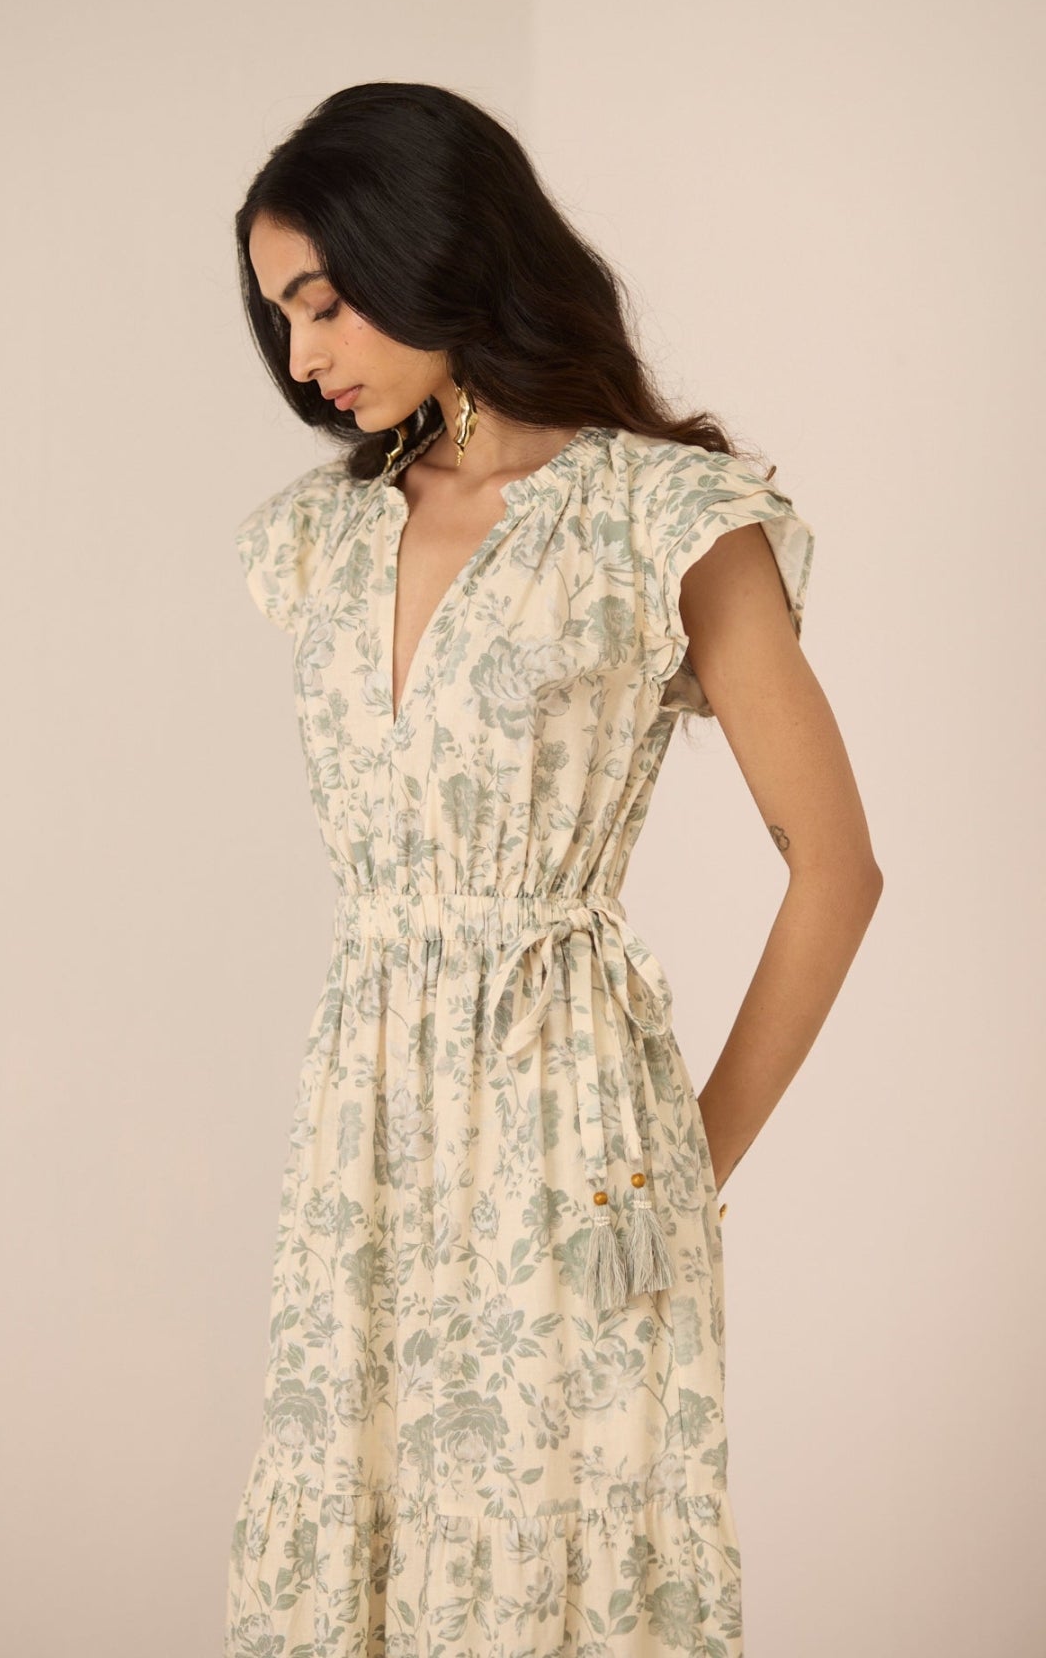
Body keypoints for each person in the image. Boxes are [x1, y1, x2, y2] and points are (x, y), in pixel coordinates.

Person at [224, 82, 882, 1658]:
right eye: (281, 317)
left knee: (559, 1552)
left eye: (325, 300)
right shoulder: (319, 535)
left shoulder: (657, 519)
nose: (304, 357)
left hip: (574, 1133)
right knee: (356, 1542)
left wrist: (685, 1162)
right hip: (364, 1127)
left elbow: (836, 869)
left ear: (437, 246)